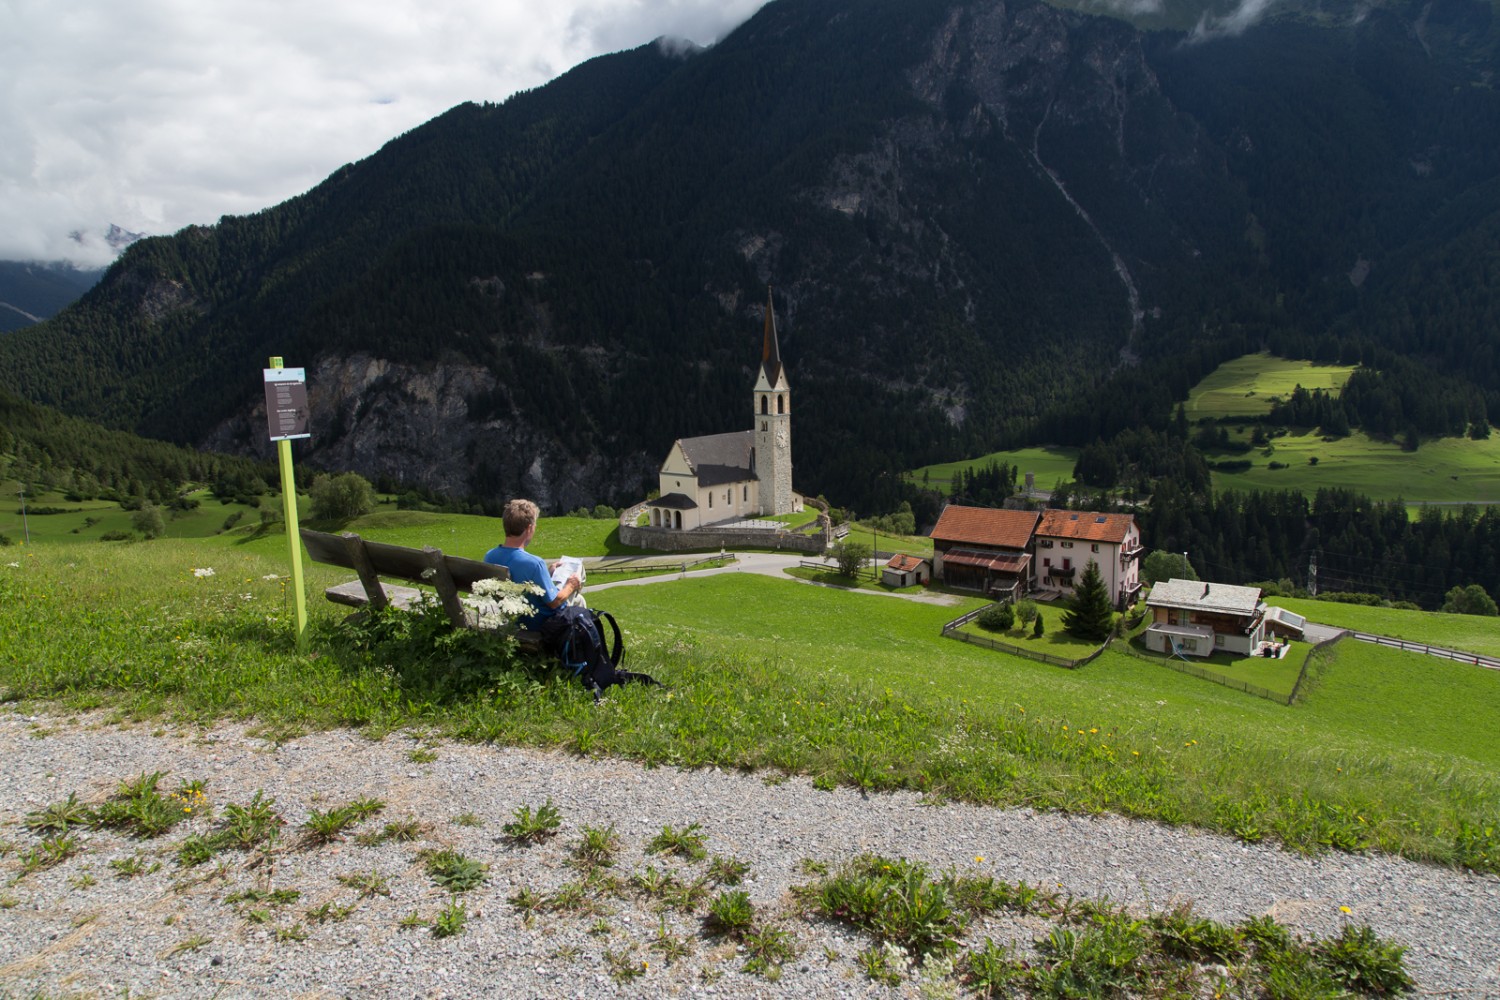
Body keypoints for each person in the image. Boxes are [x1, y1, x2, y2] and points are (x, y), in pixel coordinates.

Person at [482, 499, 582, 627]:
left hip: (508, 619)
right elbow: (555, 602)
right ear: (529, 528)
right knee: (578, 575)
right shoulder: (535, 563)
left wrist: (548, 573)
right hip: (537, 624)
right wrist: (571, 585)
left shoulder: (489, 556)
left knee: (579, 600)